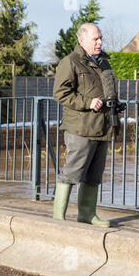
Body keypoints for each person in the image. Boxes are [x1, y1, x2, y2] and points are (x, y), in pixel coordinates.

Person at [52, 23, 120, 227]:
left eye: (100, 38)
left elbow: (107, 92)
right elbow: (60, 93)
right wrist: (87, 103)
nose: (100, 42)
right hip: (80, 128)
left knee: (94, 175)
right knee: (72, 172)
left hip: (103, 127)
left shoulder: (104, 63)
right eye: (95, 39)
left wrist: (115, 106)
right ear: (82, 41)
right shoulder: (71, 62)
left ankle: (87, 215)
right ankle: (58, 217)